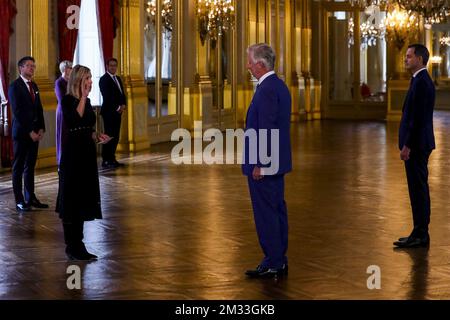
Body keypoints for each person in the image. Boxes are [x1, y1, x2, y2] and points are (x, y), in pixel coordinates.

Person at [243, 43, 292, 278]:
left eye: (250, 63)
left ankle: (274, 260)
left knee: (266, 213)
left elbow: (267, 128)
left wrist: (261, 163)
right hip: (275, 162)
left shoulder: (267, 89)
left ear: (260, 65)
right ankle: (277, 258)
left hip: (265, 164)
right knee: (275, 209)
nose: (248, 67)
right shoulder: (278, 86)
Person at [56, 65, 111, 260]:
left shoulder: (85, 102)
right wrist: (83, 96)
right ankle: (71, 246)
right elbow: (74, 121)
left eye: (90, 78)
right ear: (78, 80)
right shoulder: (68, 100)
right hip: (72, 157)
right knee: (72, 200)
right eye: (87, 78)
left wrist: (97, 135)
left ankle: (79, 244)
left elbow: (86, 127)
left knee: (82, 199)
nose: (90, 82)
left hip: (87, 155)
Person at [394, 44, 435, 248]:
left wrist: (407, 145)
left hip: (417, 145)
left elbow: (417, 119)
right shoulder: (418, 80)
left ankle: (421, 234)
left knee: (418, 189)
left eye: (409, 56)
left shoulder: (422, 83)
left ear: (419, 58)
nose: (406, 59)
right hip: (418, 144)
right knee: (416, 189)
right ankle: (418, 231)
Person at [9, 56, 48, 212]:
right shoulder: (14, 86)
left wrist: (41, 128)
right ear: (21, 68)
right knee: (18, 167)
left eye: (34, 66)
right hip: (21, 133)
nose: (32, 68)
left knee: (30, 167)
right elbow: (17, 112)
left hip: (35, 133)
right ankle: (19, 200)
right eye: (29, 66)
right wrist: (29, 131)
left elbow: (39, 108)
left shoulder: (34, 85)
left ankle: (30, 197)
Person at [99, 58, 126, 168]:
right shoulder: (104, 79)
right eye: (111, 65)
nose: (113, 67)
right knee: (108, 136)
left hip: (118, 112)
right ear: (107, 66)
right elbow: (107, 97)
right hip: (109, 113)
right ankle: (106, 160)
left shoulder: (118, 78)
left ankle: (112, 158)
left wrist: (123, 104)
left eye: (115, 65)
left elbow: (121, 93)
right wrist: (118, 107)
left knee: (116, 136)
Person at [55, 60, 73, 166]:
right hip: (63, 112)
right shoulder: (59, 82)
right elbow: (62, 100)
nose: (72, 70)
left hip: (71, 111)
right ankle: (62, 161)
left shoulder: (71, 82)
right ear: (65, 69)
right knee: (63, 136)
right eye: (71, 68)